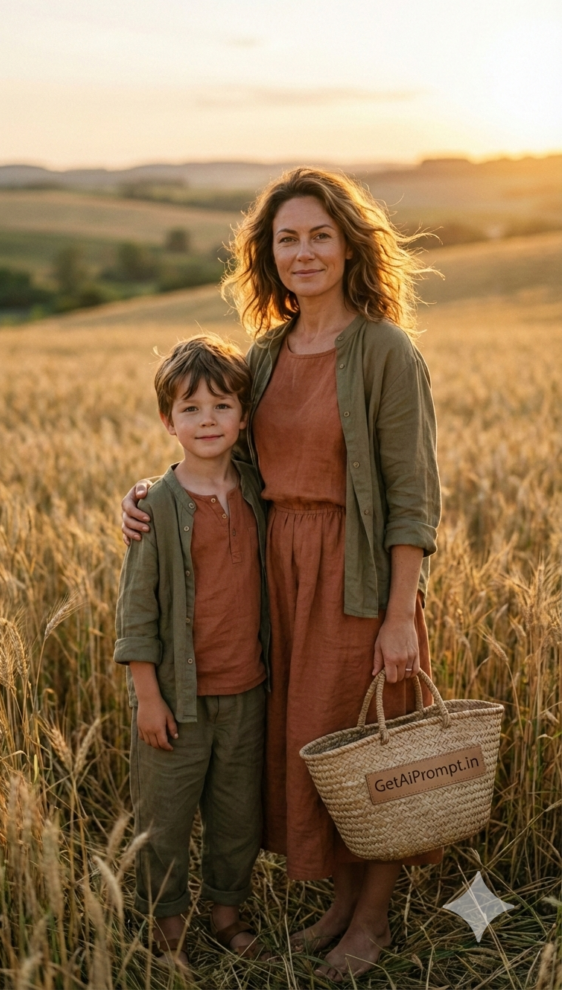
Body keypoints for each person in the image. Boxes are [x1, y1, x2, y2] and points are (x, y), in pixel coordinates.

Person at [121, 168, 442, 983]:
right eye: (286, 238)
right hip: (275, 580)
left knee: (366, 749)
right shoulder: (263, 355)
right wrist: (148, 497)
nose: (303, 253)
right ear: (268, 254)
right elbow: (217, 448)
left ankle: (370, 920)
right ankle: (337, 903)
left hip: (356, 578)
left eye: (319, 236)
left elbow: (412, 495)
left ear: (349, 245)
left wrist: (400, 615)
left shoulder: (385, 350)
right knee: (310, 749)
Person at [114, 335, 270, 977]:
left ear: (243, 415)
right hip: (176, 700)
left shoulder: (261, 490)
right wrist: (148, 698)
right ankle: (167, 919)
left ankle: (226, 911)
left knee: (238, 815)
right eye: (190, 409)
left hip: (247, 691)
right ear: (167, 420)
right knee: (167, 815)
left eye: (222, 406)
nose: (208, 420)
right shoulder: (156, 505)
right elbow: (138, 613)